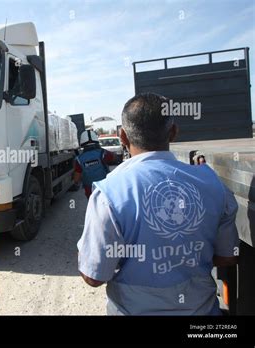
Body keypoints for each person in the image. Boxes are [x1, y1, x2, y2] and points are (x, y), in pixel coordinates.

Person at [77, 93, 239, 315]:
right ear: (173, 132)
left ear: (122, 137)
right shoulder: (213, 185)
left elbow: (94, 277)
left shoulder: (108, 194)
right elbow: (228, 257)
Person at [73, 130, 115, 199]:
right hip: (104, 189)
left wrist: (76, 182)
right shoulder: (103, 153)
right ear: (96, 140)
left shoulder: (79, 159)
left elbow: (76, 178)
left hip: (90, 191)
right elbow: (114, 158)